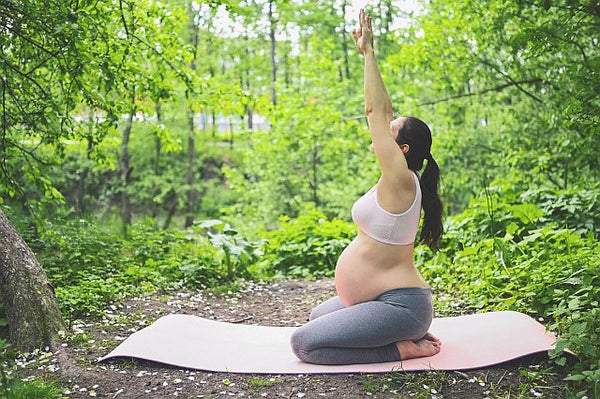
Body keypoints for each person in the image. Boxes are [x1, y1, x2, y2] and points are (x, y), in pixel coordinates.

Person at [290, 9, 444, 365]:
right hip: (379, 299)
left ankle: (401, 345)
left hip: (400, 303)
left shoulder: (401, 179)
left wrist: (371, 52)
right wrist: (364, 54)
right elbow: (384, 113)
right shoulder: (399, 180)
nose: (381, 131)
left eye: (391, 133)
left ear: (402, 150)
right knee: (318, 319)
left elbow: (375, 112)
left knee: (304, 344)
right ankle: (403, 330)